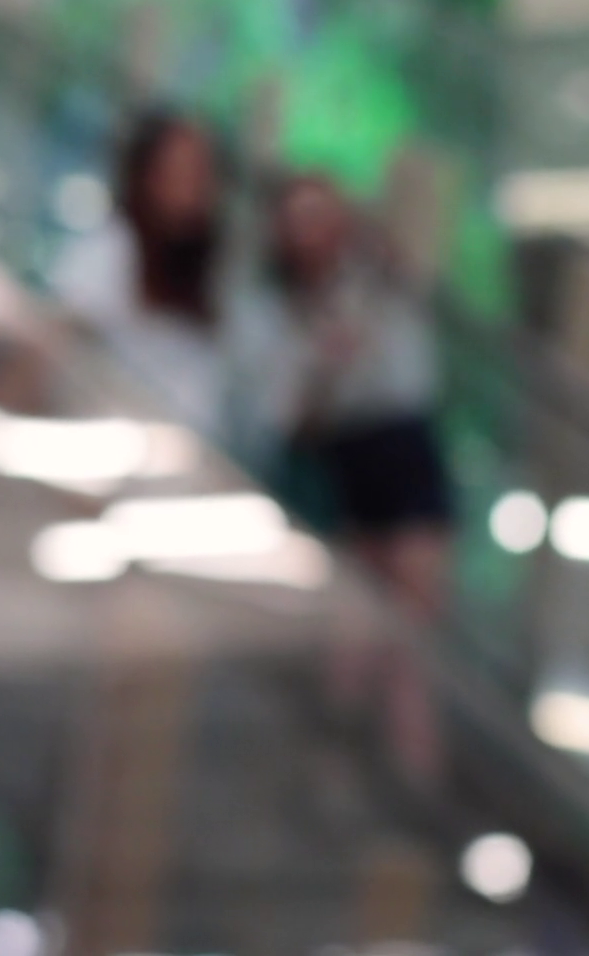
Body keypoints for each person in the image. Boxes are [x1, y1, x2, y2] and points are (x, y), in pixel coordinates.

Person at [262, 172, 452, 785]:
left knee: (409, 629)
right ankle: (340, 769)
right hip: (343, 462)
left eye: (321, 215)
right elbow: (289, 418)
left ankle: (410, 769)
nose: (311, 232)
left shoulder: (379, 278)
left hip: (403, 450)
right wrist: (324, 371)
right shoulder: (284, 311)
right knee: (354, 628)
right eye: (299, 220)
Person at [50, 112, 232, 438]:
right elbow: (56, 354)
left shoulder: (208, 280)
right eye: (179, 170)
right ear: (146, 173)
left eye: (201, 173)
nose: (192, 186)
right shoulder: (106, 252)